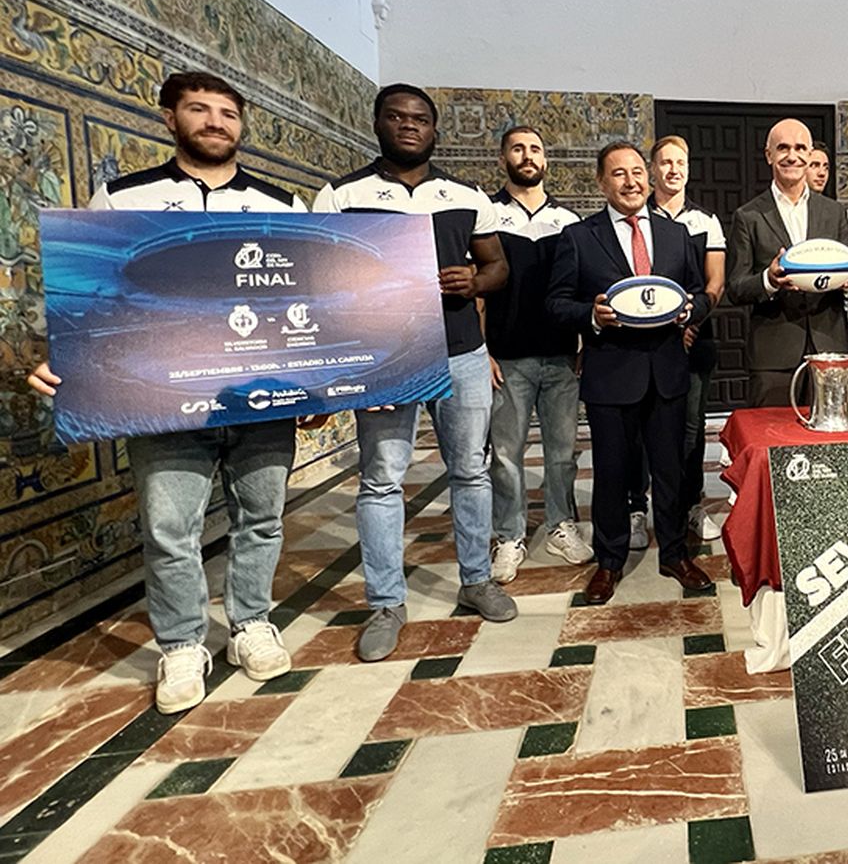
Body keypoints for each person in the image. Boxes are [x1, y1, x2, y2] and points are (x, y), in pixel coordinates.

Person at [29, 72, 301, 713]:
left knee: (262, 518)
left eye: (228, 112)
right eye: (199, 109)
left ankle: (250, 622)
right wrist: (59, 355)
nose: (215, 122)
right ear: (169, 119)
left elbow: (303, 299)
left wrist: (315, 389)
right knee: (170, 527)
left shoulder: (281, 203)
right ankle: (181, 644)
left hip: (260, 394)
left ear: (241, 125)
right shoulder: (123, 199)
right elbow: (87, 290)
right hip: (163, 397)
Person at [314, 83, 517, 661]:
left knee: (471, 470)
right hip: (386, 357)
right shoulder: (342, 195)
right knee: (382, 478)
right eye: (397, 117)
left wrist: (474, 282)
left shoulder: (464, 194)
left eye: (421, 119)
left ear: (434, 130)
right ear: (378, 123)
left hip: (461, 350)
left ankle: (476, 579)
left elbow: (498, 267)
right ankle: (386, 602)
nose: (409, 126)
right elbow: (320, 277)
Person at [547, 141, 713, 604]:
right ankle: (609, 561)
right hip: (610, 374)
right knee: (612, 473)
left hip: (666, 372)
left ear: (649, 177)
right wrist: (591, 315)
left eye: (638, 172)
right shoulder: (580, 237)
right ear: (602, 182)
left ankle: (675, 554)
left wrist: (690, 310)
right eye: (619, 173)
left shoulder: (677, 235)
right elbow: (556, 303)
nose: (632, 181)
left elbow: (700, 293)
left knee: (671, 471)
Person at [483, 125, 589, 577]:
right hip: (506, 357)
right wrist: (482, 350)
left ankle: (561, 524)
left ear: (546, 160)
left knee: (562, 452)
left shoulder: (568, 221)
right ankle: (509, 535)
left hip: (561, 355)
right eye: (517, 149)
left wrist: (584, 342)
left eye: (535, 149)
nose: (527, 156)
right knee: (506, 454)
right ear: (503, 158)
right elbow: (478, 291)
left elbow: (581, 288)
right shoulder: (486, 215)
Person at [725, 119, 848, 407]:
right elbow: (735, 287)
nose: (792, 156)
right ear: (769, 155)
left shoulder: (834, 212)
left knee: (829, 434)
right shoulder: (748, 216)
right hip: (773, 356)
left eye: (800, 148)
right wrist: (769, 280)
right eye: (783, 148)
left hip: (830, 348)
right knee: (772, 433)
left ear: (810, 154)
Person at [649, 135, 726, 540]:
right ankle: (637, 505)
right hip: (645, 342)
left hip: (695, 340)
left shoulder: (705, 221)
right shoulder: (638, 217)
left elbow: (715, 282)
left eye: (680, 162)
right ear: (653, 170)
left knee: (691, 429)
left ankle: (691, 503)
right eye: (665, 162)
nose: (674, 169)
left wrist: (692, 320)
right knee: (643, 427)